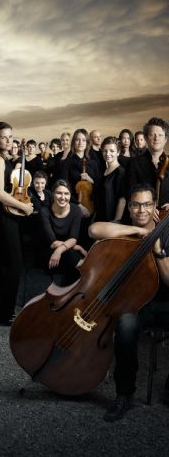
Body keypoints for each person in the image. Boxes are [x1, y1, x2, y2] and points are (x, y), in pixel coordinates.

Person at [88, 184, 169, 421]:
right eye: (136, 205)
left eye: (146, 204)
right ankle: (124, 394)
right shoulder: (126, 230)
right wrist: (136, 231)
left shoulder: (165, 231)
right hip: (135, 305)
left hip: (164, 303)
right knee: (125, 325)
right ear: (130, 208)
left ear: (154, 206)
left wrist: (159, 252)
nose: (141, 209)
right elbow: (94, 229)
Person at [0, 122, 34, 325]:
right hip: (3, 215)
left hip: (9, 215)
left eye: (10, 136)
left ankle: (1, 310)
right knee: (12, 264)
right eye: (4, 137)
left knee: (8, 263)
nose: (8, 140)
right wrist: (24, 207)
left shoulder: (6, 159)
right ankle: (2, 313)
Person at [39, 180, 86, 286]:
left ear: (70, 195)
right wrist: (76, 247)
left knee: (70, 259)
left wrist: (60, 250)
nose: (62, 197)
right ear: (53, 194)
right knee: (72, 259)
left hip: (65, 252)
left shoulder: (76, 210)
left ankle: (69, 289)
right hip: (50, 253)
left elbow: (73, 238)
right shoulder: (44, 211)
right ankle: (83, 272)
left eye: (66, 193)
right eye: (59, 193)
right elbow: (53, 243)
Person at [94, 136, 126, 222]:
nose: (107, 154)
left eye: (112, 151)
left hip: (111, 219)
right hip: (100, 216)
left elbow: (122, 200)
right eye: (105, 151)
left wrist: (116, 221)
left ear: (118, 152)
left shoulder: (120, 172)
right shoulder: (104, 170)